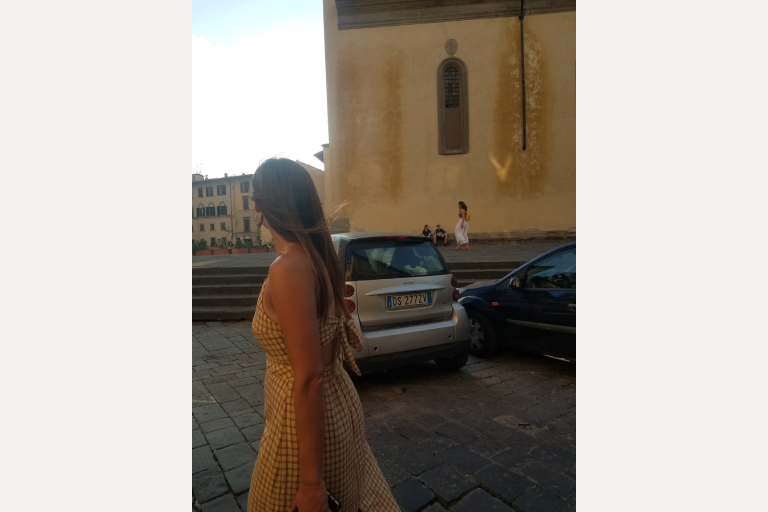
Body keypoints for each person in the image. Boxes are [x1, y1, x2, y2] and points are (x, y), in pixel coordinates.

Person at [247, 158, 399, 512]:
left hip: (299, 422)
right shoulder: (319, 258)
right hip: (336, 406)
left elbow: (309, 377)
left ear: (259, 206)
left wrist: (311, 484)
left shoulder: (288, 268)